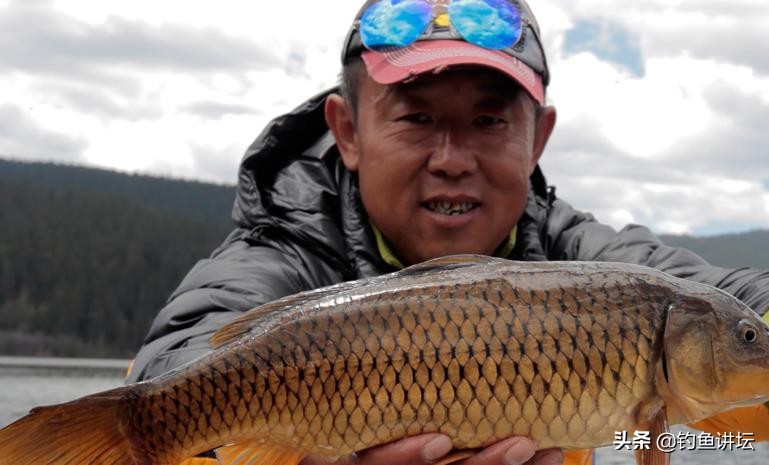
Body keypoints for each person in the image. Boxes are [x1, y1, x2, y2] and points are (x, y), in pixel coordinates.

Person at [127, 1, 769, 464]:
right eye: (417, 119)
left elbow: (731, 300)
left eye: (488, 120)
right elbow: (185, 353)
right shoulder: (285, 253)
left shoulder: (590, 264)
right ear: (348, 132)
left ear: (537, 138)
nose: (452, 158)